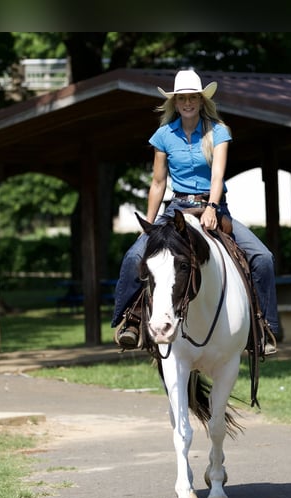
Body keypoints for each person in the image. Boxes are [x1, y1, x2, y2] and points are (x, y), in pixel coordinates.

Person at [111, 69, 279, 354]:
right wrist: (149, 224)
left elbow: (217, 176)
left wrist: (212, 207)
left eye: (192, 98)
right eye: (182, 99)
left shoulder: (218, 131)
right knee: (134, 256)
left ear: (201, 101)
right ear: (175, 103)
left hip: (212, 205)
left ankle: (263, 328)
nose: (187, 103)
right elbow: (158, 182)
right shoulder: (163, 135)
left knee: (263, 257)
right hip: (175, 208)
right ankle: (132, 322)